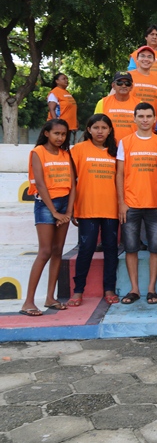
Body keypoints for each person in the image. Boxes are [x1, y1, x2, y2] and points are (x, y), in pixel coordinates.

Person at [116, 103, 157, 305]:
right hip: (131, 204)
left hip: (155, 204)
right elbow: (119, 174)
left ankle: (151, 289)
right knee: (131, 248)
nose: (145, 120)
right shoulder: (125, 142)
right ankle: (134, 289)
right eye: (141, 116)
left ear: (155, 118)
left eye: (148, 116)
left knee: (155, 248)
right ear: (134, 118)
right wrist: (121, 202)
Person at [20, 119, 74, 316]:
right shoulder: (38, 152)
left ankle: (51, 298)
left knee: (58, 251)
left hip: (64, 203)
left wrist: (68, 211)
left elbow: (73, 184)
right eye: (56, 133)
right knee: (45, 251)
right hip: (45, 204)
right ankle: (28, 302)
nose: (60, 137)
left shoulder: (66, 154)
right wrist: (54, 212)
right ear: (46, 133)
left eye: (63, 134)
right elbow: (41, 184)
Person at [68, 114, 119, 308]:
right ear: (89, 129)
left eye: (104, 128)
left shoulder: (116, 151)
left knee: (111, 249)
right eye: (96, 127)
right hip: (87, 208)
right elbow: (71, 180)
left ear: (109, 130)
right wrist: (72, 208)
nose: (100, 131)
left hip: (111, 208)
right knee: (86, 249)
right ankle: (78, 290)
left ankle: (109, 289)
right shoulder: (78, 149)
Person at [127, 25, 157, 101]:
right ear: (146, 37)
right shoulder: (135, 54)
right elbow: (130, 74)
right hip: (136, 96)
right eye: (152, 34)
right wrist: (145, 85)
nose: (154, 37)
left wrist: (153, 85)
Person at [95, 72, 138, 139]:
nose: (123, 86)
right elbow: (96, 125)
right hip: (108, 143)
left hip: (133, 143)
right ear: (113, 86)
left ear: (131, 87)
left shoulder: (139, 104)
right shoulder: (102, 103)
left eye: (127, 83)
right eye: (119, 83)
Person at [130, 46, 157, 116]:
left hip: (152, 120)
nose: (146, 59)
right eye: (142, 56)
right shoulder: (128, 76)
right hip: (132, 118)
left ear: (154, 61)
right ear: (137, 59)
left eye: (149, 57)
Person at [47, 73, 78, 142]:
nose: (66, 80)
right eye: (64, 79)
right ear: (57, 81)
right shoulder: (54, 92)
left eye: (67, 79)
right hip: (60, 125)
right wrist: (56, 123)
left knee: (66, 144)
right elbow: (52, 109)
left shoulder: (67, 93)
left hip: (68, 125)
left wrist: (75, 121)